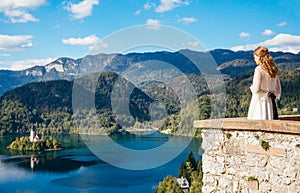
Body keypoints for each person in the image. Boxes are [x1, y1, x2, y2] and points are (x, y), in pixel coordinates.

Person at [247, 46, 281, 120]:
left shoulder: (258, 70)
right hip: (271, 103)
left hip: (260, 102)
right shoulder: (273, 70)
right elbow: (278, 89)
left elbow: (257, 89)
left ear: (259, 57)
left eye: (255, 57)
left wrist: (252, 88)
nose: (254, 59)